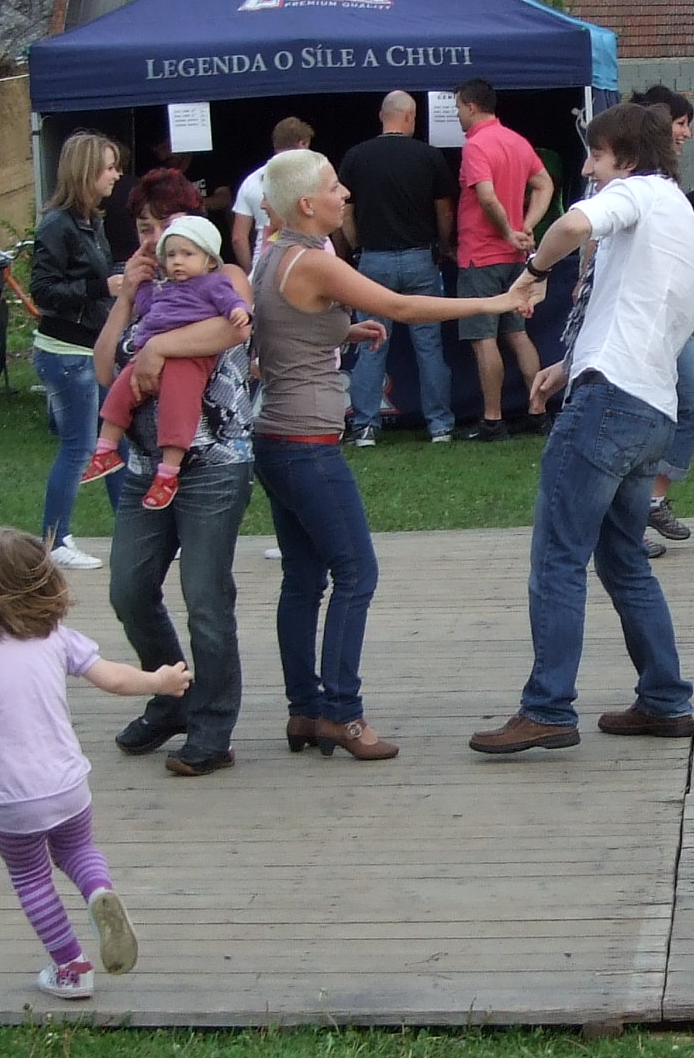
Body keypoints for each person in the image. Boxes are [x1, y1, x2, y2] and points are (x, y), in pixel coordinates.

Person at [253, 149, 539, 760]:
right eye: (335, 187)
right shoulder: (314, 261)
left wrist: (343, 329)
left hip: (275, 439)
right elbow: (403, 306)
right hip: (306, 446)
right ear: (306, 204)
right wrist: (491, 303)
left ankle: (305, 710)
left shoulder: (275, 254)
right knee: (357, 573)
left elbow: (287, 326)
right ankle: (342, 715)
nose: (345, 195)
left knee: (303, 579)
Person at [471, 102, 694, 753]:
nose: (587, 168)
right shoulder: (679, 216)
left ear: (626, 159)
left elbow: (573, 224)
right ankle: (665, 699)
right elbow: (636, 310)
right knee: (624, 560)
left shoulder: (634, 192)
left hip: (609, 403)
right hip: (651, 407)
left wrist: (531, 274)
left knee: (558, 555)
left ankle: (548, 707)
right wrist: (567, 365)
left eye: (596, 156)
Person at [0, 527, 187, 1000]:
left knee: (31, 878)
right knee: (77, 850)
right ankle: (99, 891)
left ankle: (72, 968)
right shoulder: (57, 639)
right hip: (69, 785)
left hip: (14, 800)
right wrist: (159, 681)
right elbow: (114, 679)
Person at [95, 173, 256, 778]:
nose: (160, 242)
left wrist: (159, 349)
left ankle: (212, 728)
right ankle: (171, 695)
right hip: (144, 466)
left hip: (212, 463)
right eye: (147, 231)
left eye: (167, 227)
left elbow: (232, 329)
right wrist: (125, 298)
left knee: (205, 597)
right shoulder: (148, 293)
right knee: (129, 588)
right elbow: (104, 368)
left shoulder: (223, 276)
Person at [79, 214, 245, 511]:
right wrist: (132, 289)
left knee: (176, 406)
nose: (177, 261)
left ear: (209, 258)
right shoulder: (163, 287)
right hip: (141, 459)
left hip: (189, 363)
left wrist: (238, 310)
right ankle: (105, 449)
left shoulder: (214, 282)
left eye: (186, 253)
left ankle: (168, 472)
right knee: (119, 392)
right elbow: (105, 370)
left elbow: (236, 315)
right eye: (171, 254)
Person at [626, 84, 694, 545]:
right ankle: (626, 524)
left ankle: (649, 500)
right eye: (681, 123)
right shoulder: (630, 181)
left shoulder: (661, 181)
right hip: (637, 321)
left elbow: (685, 212)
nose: (686, 133)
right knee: (642, 420)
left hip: (670, 321)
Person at [340, 91, 458, 447]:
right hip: (420, 258)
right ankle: (440, 425)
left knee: (371, 344)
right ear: (411, 117)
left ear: (382, 115)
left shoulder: (356, 156)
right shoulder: (429, 156)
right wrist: (443, 244)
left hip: (373, 260)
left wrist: (357, 247)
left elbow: (345, 212)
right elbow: (444, 210)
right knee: (429, 346)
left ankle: (365, 426)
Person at [30, 130, 124, 572]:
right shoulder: (57, 225)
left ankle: (133, 529)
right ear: (86, 171)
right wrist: (101, 287)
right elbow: (44, 291)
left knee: (114, 440)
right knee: (79, 446)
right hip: (66, 351)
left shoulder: (92, 222)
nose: (116, 175)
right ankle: (55, 538)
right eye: (109, 167)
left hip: (93, 348)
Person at [454, 80, 555, 439]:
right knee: (517, 333)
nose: (457, 115)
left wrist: (509, 231)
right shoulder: (516, 141)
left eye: (458, 108)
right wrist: (526, 226)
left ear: (470, 107)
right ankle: (538, 411)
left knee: (484, 338)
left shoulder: (476, 145)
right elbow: (544, 184)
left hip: (480, 255)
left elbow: (486, 196)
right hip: (515, 258)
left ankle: (493, 420)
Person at [230, 116, 313, 272]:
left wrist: (251, 272)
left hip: (264, 262)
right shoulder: (314, 178)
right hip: (306, 260)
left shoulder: (251, 181)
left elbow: (238, 238)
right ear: (303, 143)